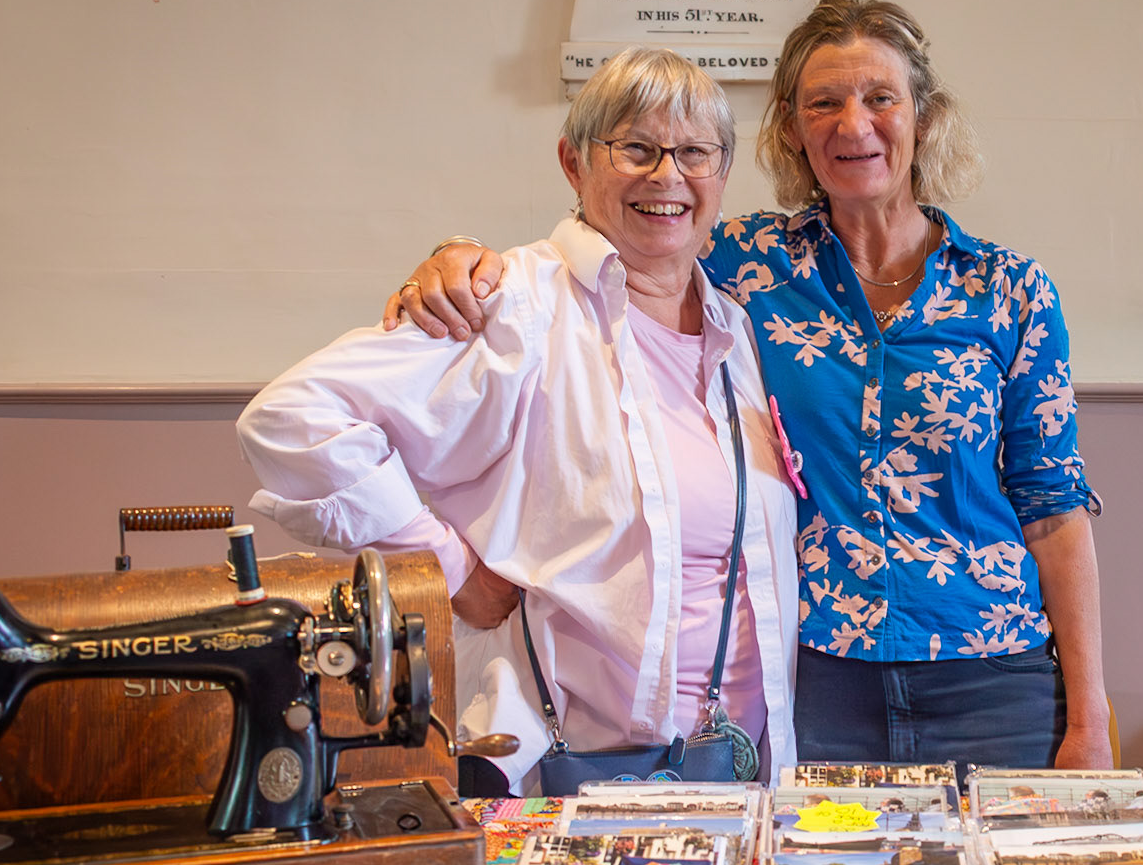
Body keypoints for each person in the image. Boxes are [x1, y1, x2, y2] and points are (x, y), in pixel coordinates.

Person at [386, 0, 1109, 774]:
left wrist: (1091, 719)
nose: (852, 123)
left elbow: (1053, 510)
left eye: (879, 98)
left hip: (993, 679)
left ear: (923, 118)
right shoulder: (748, 265)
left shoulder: (1009, 290)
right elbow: (612, 234)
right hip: (820, 680)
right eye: (822, 103)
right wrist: (457, 253)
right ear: (793, 130)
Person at [238, 48, 800, 794]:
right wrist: (448, 569)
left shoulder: (737, 328)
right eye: (634, 147)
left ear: (722, 174)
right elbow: (290, 421)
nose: (667, 175)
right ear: (573, 163)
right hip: (567, 778)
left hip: (737, 772)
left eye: (694, 152)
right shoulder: (515, 303)